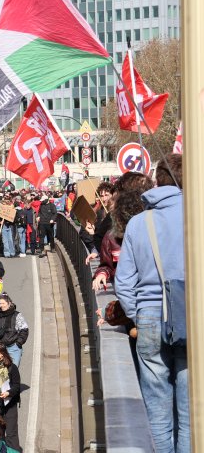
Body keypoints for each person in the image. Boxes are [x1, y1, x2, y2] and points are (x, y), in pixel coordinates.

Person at [114, 154, 187, 453]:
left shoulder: (138, 224)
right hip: (191, 318)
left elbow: (124, 283)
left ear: (158, 180)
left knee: (156, 411)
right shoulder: (195, 215)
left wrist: (138, 313)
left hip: (148, 318)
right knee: (191, 411)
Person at [0, 294, 28, 367]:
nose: (1, 305)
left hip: (13, 348)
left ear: (9, 303)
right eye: (0, 303)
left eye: (3, 303)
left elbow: (24, 329)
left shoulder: (17, 315)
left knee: (13, 370)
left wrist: (19, 343)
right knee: (2, 373)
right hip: (0, 349)